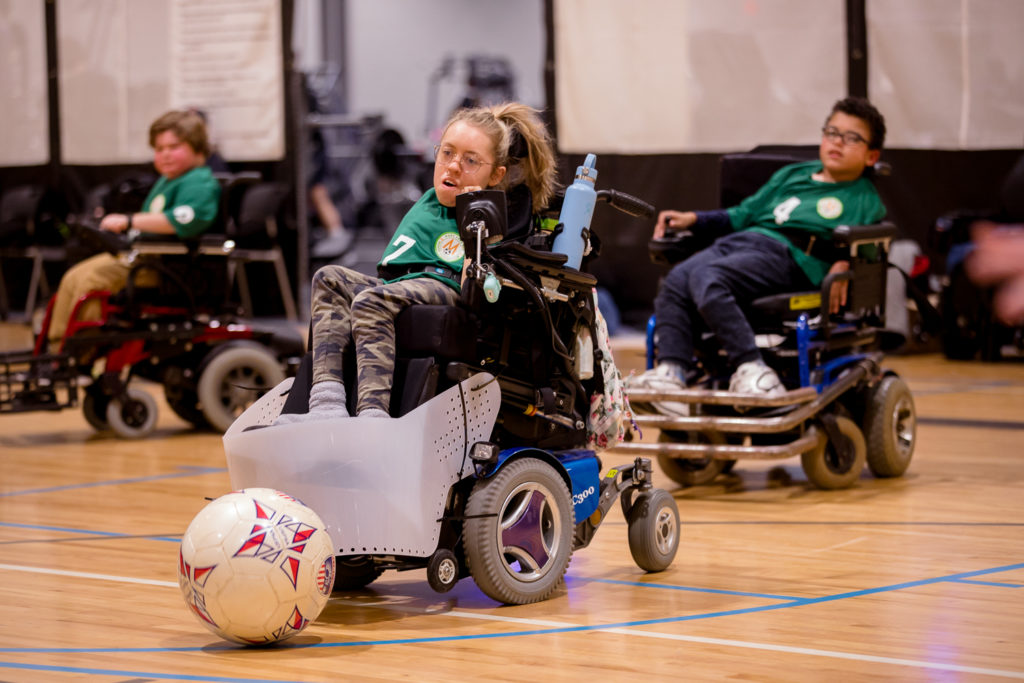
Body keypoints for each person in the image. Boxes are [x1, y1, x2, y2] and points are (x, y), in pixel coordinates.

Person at [275, 102, 557, 423]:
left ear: (496, 174)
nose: (452, 166)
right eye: (447, 153)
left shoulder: (487, 212)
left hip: (444, 285)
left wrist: (474, 218)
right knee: (329, 278)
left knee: (371, 301)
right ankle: (326, 404)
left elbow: (474, 286)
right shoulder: (430, 199)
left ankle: (372, 414)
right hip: (402, 284)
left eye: (470, 160)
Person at [633, 97, 887, 412]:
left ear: (871, 155)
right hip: (744, 242)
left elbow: (871, 239)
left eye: (851, 138)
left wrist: (844, 260)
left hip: (793, 257)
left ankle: (753, 369)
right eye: (832, 132)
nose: (837, 142)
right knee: (676, 280)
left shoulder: (863, 195)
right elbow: (741, 214)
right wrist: (695, 219)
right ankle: (671, 375)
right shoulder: (792, 174)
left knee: (707, 277)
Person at [48, 110, 221, 342]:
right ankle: (56, 346)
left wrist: (128, 221)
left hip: (170, 269)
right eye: (159, 149)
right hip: (145, 259)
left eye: (174, 147)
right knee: (73, 277)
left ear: (198, 148)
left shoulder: (198, 182)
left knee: (91, 281)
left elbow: (183, 220)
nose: (165, 155)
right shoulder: (169, 181)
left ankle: (82, 351)